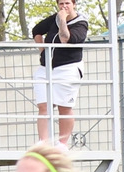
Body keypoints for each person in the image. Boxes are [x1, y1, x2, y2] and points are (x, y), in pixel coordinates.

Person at [32, 0, 88, 149]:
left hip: (67, 68)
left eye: (67, 3)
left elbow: (65, 38)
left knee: (64, 107)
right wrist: (43, 50)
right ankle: (43, 142)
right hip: (46, 68)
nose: (64, 6)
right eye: (61, 3)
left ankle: (62, 144)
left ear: (74, 4)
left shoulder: (81, 23)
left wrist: (62, 20)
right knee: (44, 105)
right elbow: (36, 30)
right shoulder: (54, 18)